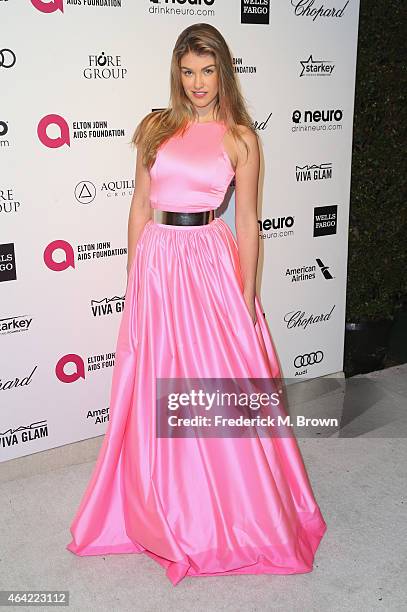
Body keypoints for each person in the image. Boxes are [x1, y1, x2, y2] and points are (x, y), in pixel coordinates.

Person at [66, 22, 327, 586]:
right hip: (159, 261)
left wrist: (247, 291)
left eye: (207, 71)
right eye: (188, 72)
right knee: (156, 378)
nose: (198, 83)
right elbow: (139, 204)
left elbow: (250, 220)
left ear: (223, 71)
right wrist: (135, 274)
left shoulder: (241, 138)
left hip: (210, 260)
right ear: (177, 73)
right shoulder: (155, 128)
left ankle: (229, 508)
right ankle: (162, 502)